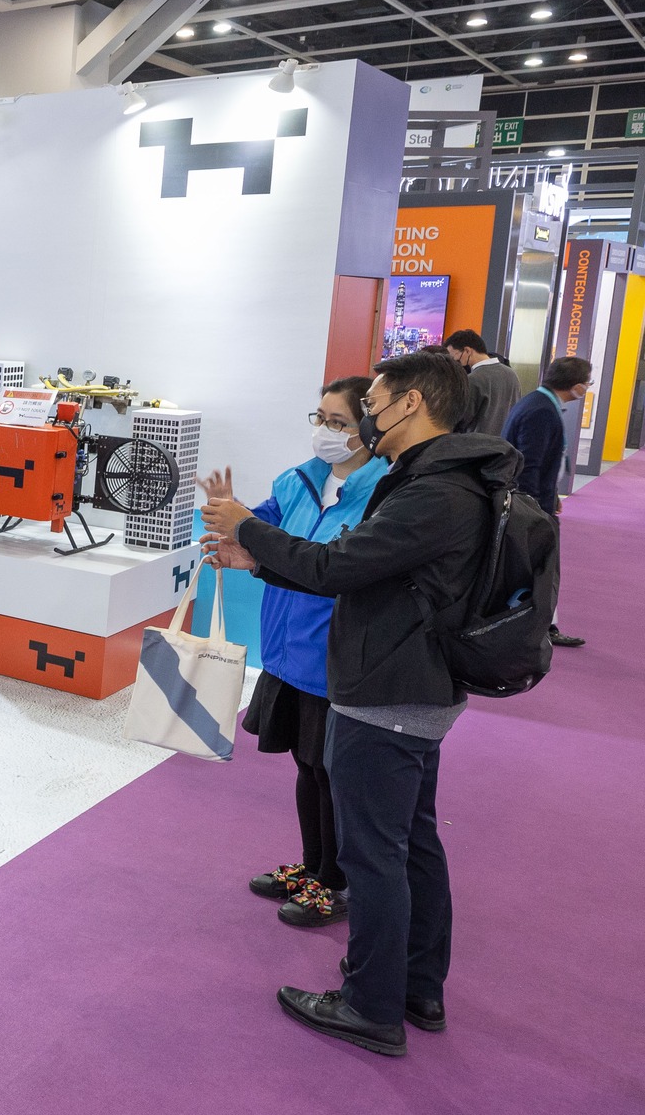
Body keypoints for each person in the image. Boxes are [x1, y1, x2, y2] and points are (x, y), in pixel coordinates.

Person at [203, 351, 518, 1058]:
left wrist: (246, 527)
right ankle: (416, 988)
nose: (365, 419)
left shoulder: (433, 491)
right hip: (410, 685)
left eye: (369, 405)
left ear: (410, 403)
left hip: (388, 691)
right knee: (411, 844)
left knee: (374, 854)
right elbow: (359, 573)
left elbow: (338, 566)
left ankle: (371, 1004)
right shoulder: (442, 480)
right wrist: (260, 556)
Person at [201, 377, 388, 929]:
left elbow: (336, 568)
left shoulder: (385, 493)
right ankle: (314, 868)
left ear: (367, 428)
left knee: (333, 776)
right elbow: (258, 532)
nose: (325, 431)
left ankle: (337, 882)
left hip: (333, 658)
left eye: (339, 423)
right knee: (307, 767)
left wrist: (250, 531)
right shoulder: (297, 480)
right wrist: (230, 522)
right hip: (285, 652)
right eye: (320, 419)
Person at [502, 355, 591, 649]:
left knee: (538, 568)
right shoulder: (541, 410)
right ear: (575, 384)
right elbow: (530, 465)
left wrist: (551, 497)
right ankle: (542, 626)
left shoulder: (539, 403)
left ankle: (540, 624)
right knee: (544, 568)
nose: (587, 388)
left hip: (535, 501)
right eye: (586, 382)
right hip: (530, 507)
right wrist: (537, 511)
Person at [442, 331, 518, 438]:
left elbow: (460, 420)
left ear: (467, 351)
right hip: (505, 443)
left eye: (456, 359)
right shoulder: (512, 374)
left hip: (476, 444)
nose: (456, 364)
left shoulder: (473, 379)